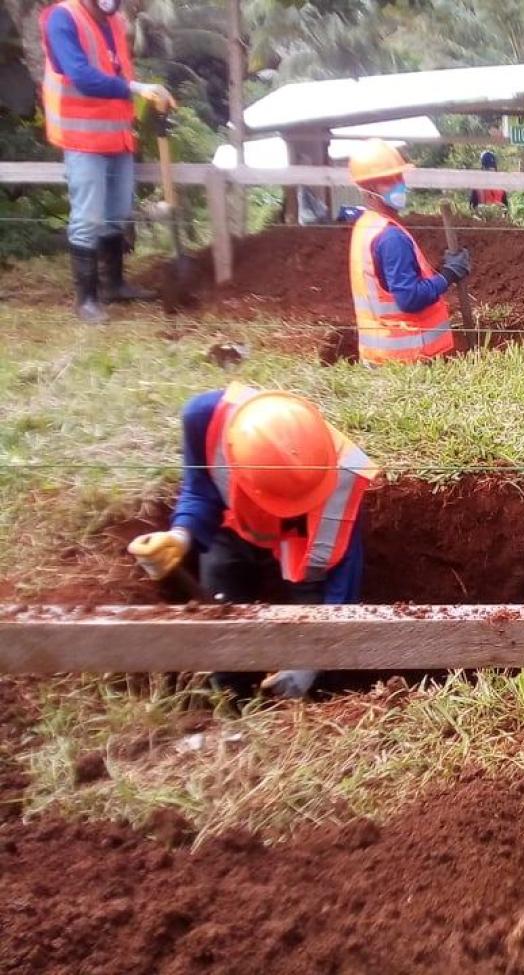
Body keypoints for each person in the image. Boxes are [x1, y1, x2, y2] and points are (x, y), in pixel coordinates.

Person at [128, 384, 378, 699]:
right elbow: (200, 489)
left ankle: (310, 692)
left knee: (311, 605)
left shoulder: (342, 484)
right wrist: (181, 534)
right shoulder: (205, 419)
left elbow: (341, 592)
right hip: (231, 524)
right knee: (221, 595)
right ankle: (229, 690)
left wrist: (311, 662)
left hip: (301, 541)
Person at [39, 0, 176, 324]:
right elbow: (82, 77)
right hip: (83, 138)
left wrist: (145, 95)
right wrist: (139, 88)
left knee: (117, 213)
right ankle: (86, 300)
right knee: (88, 217)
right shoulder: (62, 18)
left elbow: (116, 71)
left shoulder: (115, 22)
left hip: (118, 137)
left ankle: (114, 285)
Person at [347, 138, 471, 365]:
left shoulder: (366, 226)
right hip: (408, 358)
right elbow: (409, 298)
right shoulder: (391, 237)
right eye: (388, 180)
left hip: (378, 356)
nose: (399, 184)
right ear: (369, 189)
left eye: (399, 177)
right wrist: (449, 275)